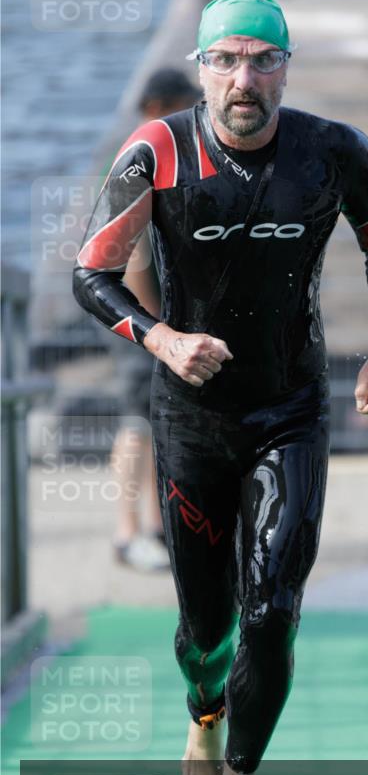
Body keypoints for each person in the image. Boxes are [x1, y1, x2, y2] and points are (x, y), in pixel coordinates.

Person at [73, 0, 368, 775]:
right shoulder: (157, 151)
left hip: (290, 411)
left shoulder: (333, 151)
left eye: (262, 60)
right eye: (225, 60)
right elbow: (90, 271)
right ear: (202, 70)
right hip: (191, 420)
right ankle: (203, 717)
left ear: (285, 67)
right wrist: (161, 336)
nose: (244, 79)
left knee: (273, 614)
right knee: (208, 633)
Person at [107, 68, 202, 571]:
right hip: (138, 321)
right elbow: (135, 256)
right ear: (156, 106)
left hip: (150, 321)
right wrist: (155, 327)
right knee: (136, 425)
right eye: (184, 105)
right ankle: (128, 534)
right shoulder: (139, 156)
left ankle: (156, 527)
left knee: (153, 423)